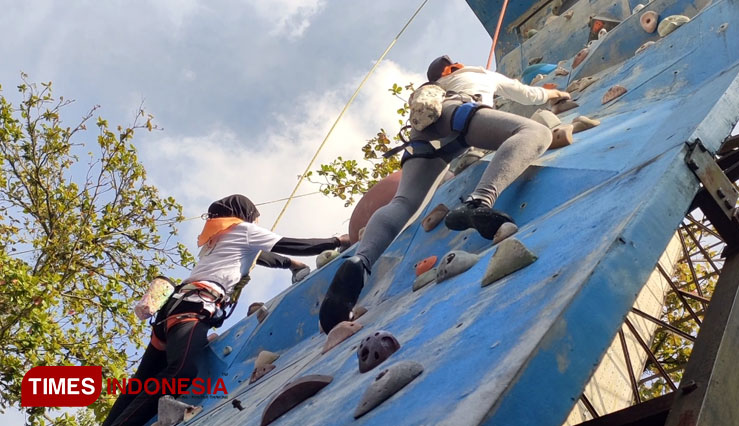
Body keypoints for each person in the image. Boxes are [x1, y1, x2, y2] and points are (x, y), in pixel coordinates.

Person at [318, 55, 570, 333]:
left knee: (404, 203)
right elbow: (529, 94)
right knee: (534, 132)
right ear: (453, 68)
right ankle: (478, 202)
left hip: (421, 136)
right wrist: (556, 92)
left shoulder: (434, 91)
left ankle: (360, 261)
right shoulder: (479, 73)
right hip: (459, 114)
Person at [104, 194, 348, 426]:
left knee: (140, 384)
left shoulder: (217, 238)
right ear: (246, 214)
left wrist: (290, 265)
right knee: (182, 371)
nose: (257, 222)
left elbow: (258, 256)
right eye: (256, 217)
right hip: (194, 307)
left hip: (174, 309)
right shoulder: (243, 230)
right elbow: (290, 244)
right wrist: (336, 241)